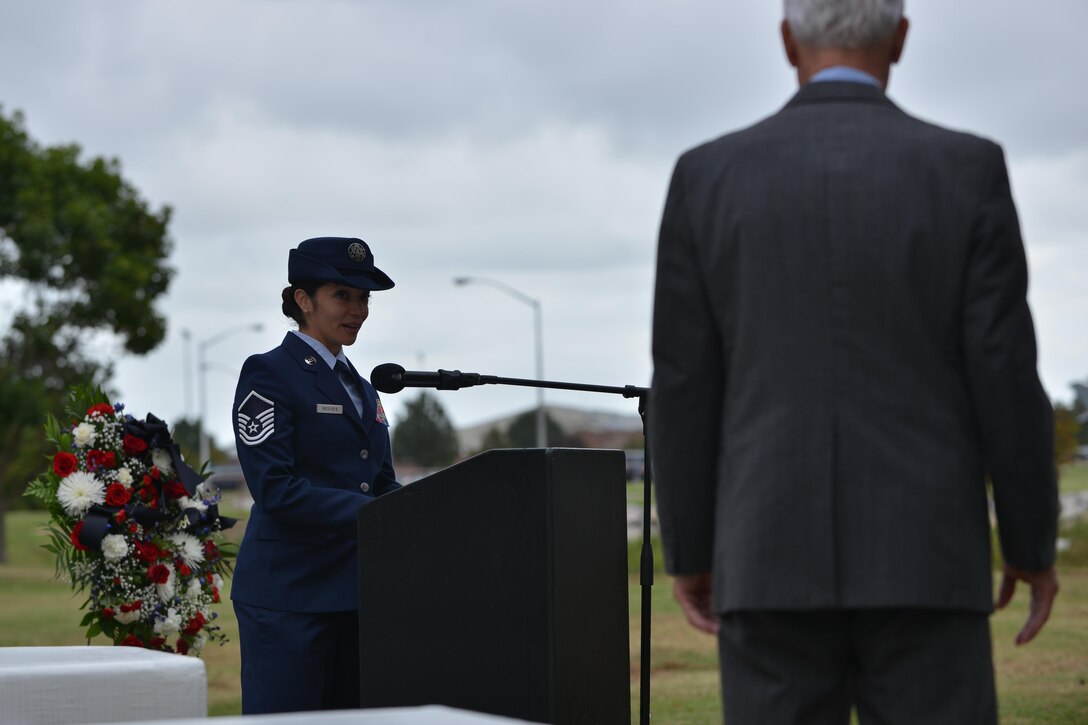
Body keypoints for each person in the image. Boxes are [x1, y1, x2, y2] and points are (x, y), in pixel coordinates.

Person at [648, 1, 1060, 722]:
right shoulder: (968, 169)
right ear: (900, 39)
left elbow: (684, 384)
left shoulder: (705, 177)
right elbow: (1003, 370)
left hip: (767, 553)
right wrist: (1029, 540)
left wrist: (690, 549)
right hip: (925, 558)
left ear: (786, 42)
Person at [231, 236, 401, 714]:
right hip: (290, 597)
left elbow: (380, 480)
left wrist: (415, 510)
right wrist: (379, 514)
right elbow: (276, 490)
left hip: (355, 595)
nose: (358, 310)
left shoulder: (363, 387)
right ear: (303, 301)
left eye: (364, 297)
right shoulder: (269, 373)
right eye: (342, 295)